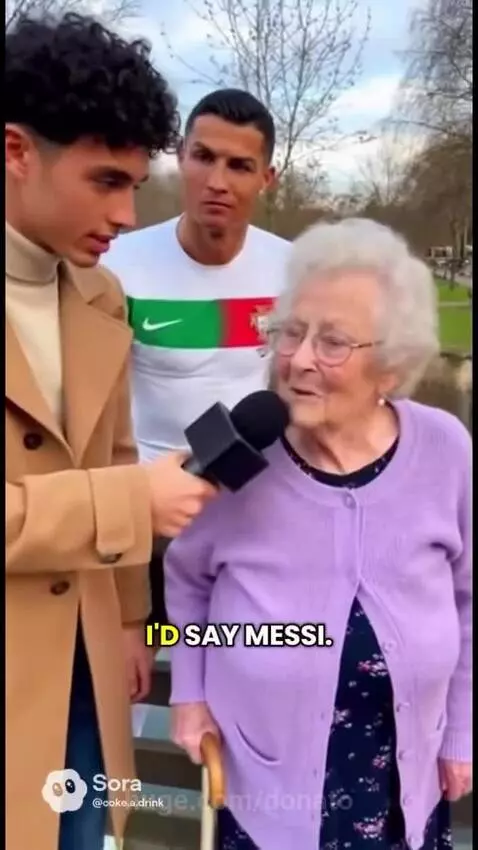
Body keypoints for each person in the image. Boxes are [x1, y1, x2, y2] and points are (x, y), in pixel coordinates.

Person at [164, 218, 472, 850]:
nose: (300, 359)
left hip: (401, 788)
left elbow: (470, 601)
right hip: (267, 788)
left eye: (333, 342)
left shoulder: (447, 449)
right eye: (290, 332)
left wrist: (461, 734)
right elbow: (186, 577)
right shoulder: (240, 452)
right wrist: (189, 696)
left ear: (390, 367)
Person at [5, 13, 217, 850]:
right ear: (17, 151)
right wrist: (126, 503)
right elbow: (124, 484)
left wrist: (130, 622)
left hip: (88, 679)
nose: (129, 214)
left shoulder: (103, 299)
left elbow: (115, 452)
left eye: (136, 183)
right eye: (105, 181)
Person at [104, 87, 291, 732]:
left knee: (242, 707)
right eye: (202, 156)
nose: (217, 181)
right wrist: (130, 614)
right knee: (137, 713)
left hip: (248, 533)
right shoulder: (117, 266)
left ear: (268, 177)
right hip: (146, 536)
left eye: (239, 166)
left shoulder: (292, 270)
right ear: (179, 158)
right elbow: (97, 433)